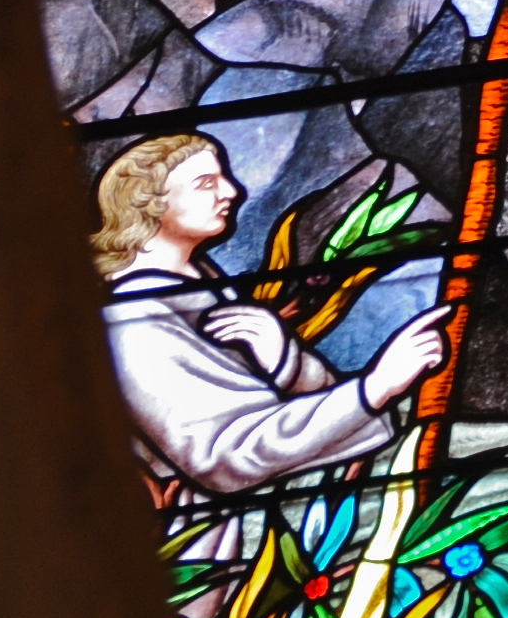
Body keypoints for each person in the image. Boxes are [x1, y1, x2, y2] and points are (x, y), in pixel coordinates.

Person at [88, 132, 451, 509]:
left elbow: (308, 412)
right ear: (148, 203)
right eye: (206, 184)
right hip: (219, 536)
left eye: (223, 178)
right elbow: (225, 458)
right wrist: (376, 387)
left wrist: (284, 363)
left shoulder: (205, 287)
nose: (231, 191)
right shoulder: (134, 323)